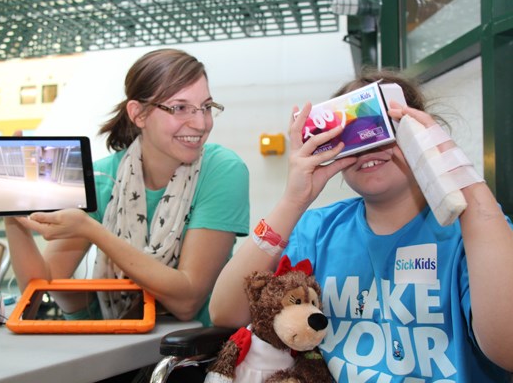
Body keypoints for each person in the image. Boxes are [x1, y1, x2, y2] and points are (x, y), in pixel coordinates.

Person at [0, 48, 250, 381]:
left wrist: (93, 231)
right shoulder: (103, 177)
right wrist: (9, 204)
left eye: (206, 107)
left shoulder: (222, 170)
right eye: (180, 108)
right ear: (138, 114)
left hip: (191, 358)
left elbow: (186, 299)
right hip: (110, 347)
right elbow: (39, 285)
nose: (200, 123)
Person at [208, 69, 513, 382]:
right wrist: (292, 202)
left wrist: (459, 173)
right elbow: (226, 312)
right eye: (350, 136)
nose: (368, 147)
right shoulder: (318, 230)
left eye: (384, 127)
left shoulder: (475, 229)